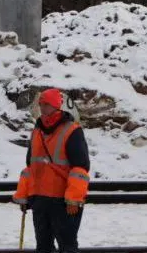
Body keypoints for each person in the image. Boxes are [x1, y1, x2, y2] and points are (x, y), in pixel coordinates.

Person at [13, 88, 90, 253]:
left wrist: (74, 199)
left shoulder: (72, 131)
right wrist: (24, 195)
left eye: (46, 104)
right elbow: (31, 167)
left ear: (56, 106)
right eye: (40, 104)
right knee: (43, 247)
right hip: (40, 201)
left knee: (67, 247)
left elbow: (80, 168)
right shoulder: (37, 131)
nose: (42, 108)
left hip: (64, 202)